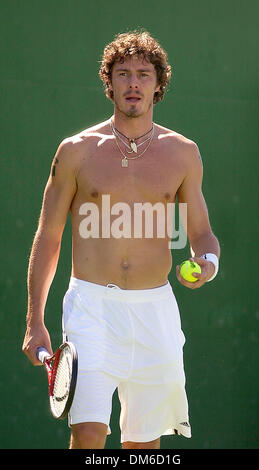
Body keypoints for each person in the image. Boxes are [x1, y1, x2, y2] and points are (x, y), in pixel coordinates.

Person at [22, 30, 220, 450]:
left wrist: (207, 263)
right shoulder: (75, 151)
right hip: (91, 308)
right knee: (89, 433)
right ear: (109, 82)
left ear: (158, 84)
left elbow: (202, 234)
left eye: (144, 74)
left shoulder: (183, 153)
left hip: (156, 313)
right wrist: (34, 320)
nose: (133, 83)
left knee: (144, 446)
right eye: (124, 73)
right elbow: (49, 234)